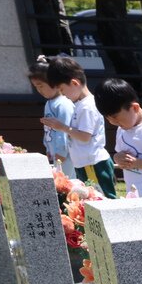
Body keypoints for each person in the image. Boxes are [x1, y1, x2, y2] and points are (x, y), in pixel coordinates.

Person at [41, 56, 117, 198]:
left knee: (100, 198)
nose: (63, 95)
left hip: (93, 163)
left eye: (63, 90)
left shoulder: (87, 107)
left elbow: (84, 136)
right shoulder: (80, 104)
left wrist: (62, 127)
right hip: (85, 162)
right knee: (89, 198)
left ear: (74, 83)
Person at [28, 57, 74, 175]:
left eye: (41, 86)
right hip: (56, 154)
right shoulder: (49, 103)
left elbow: (64, 130)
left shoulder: (63, 103)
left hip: (66, 155)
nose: (39, 90)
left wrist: (61, 152)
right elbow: (48, 129)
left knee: (70, 183)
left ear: (54, 83)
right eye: (36, 87)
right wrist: (48, 148)